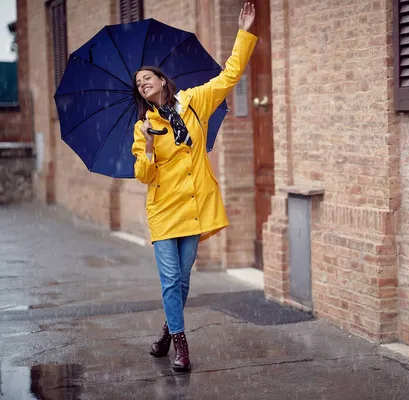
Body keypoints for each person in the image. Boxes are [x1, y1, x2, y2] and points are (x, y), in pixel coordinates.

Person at [130, 3, 257, 373]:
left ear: (162, 79)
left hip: (194, 204)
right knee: (170, 279)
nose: (142, 84)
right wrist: (150, 149)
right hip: (163, 209)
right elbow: (143, 175)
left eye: (146, 77)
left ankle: (167, 333)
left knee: (182, 281)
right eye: (138, 84)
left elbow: (230, 76)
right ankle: (182, 348)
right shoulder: (143, 126)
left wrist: (244, 33)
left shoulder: (195, 102)